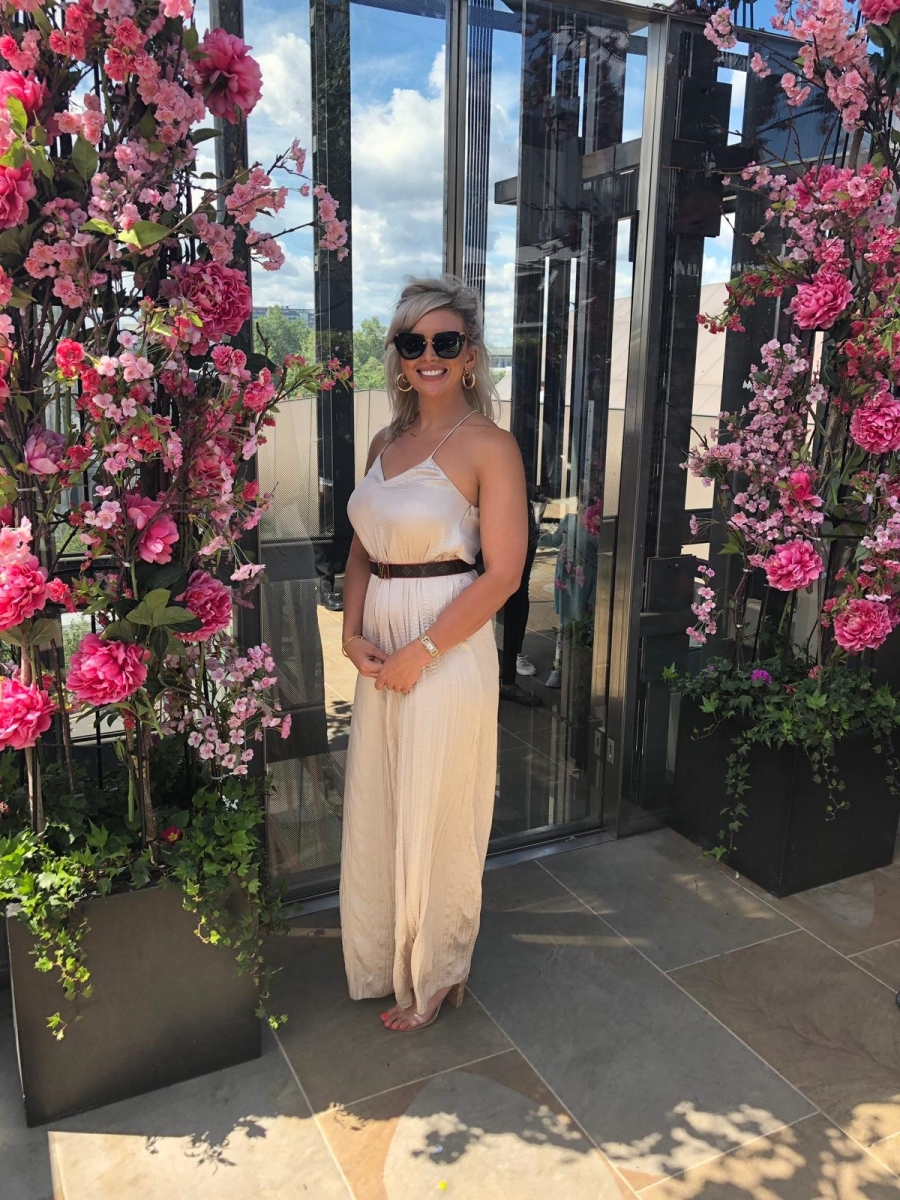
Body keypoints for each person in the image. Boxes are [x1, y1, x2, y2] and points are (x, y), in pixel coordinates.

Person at [339, 276, 527, 1032]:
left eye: (445, 340)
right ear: (397, 353)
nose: (429, 354)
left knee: (440, 805)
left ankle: (439, 968)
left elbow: (504, 574)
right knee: (385, 798)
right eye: (412, 341)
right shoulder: (385, 443)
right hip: (382, 643)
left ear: (471, 355)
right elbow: (362, 548)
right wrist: (351, 632)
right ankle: (387, 953)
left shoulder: (491, 446)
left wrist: (421, 651)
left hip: (445, 643)